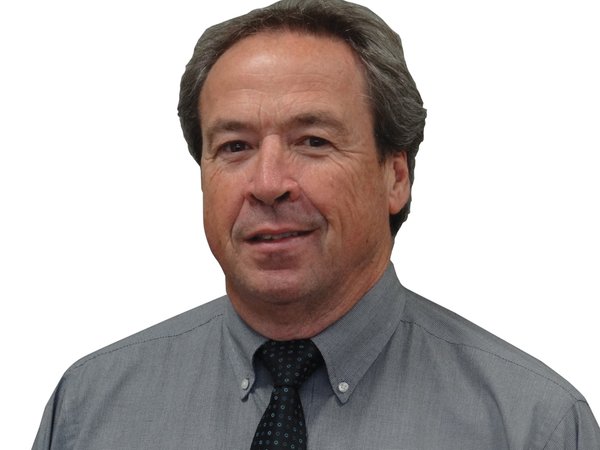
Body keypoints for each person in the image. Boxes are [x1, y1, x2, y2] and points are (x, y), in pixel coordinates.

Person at [32, 0, 600, 448]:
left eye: (313, 141)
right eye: (234, 146)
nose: (267, 182)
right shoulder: (89, 409)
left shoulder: (533, 427)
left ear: (395, 176)